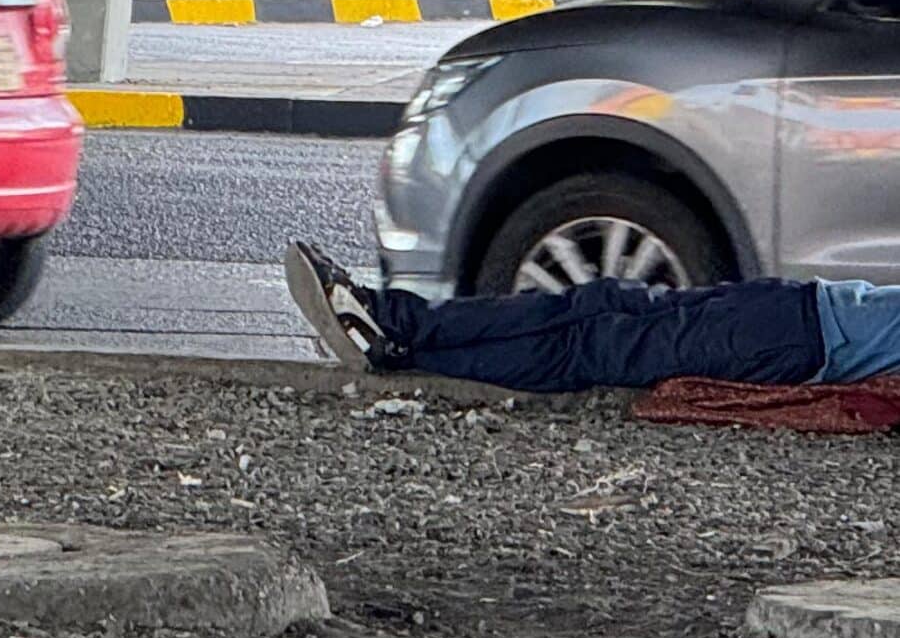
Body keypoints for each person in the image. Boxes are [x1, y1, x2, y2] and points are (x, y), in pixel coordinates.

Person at [284, 239, 900, 394]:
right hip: (798, 308)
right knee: (596, 307)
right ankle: (396, 328)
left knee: (590, 346)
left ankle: (396, 330)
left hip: (802, 338)